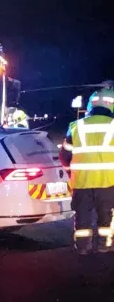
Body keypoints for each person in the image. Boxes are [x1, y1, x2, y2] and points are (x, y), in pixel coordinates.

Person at [61, 86, 114, 254]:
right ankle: (104, 246)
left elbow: (65, 155)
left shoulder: (76, 126)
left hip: (81, 182)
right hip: (108, 182)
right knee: (105, 216)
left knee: (82, 217)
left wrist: (71, 172)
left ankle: (83, 248)